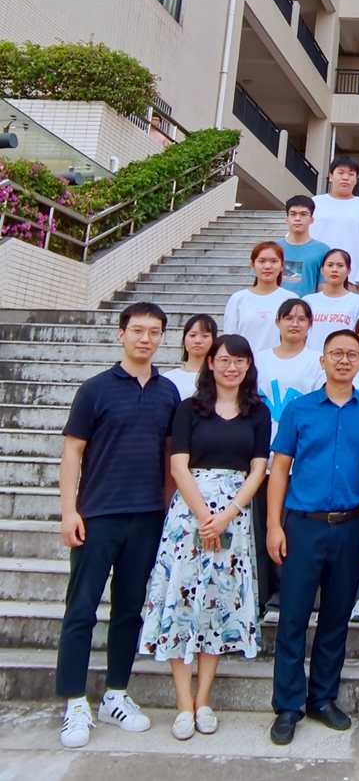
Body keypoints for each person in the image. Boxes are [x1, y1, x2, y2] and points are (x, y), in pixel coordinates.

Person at [56, 303, 180, 749]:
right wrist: (69, 511)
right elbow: (73, 452)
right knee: (82, 609)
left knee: (129, 610)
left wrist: (163, 506)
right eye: (138, 330)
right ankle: (74, 702)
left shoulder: (168, 392)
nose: (146, 339)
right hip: (98, 515)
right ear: (121, 334)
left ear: (162, 338)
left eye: (154, 332)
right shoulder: (95, 390)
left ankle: (115, 694)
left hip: (146, 517)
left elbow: (171, 456)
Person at [139, 335, 270, 740]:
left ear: (248, 366)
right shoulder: (188, 409)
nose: (232, 367)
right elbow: (178, 466)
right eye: (225, 360)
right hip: (189, 517)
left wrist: (226, 516)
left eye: (240, 361)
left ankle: (203, 700)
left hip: (234, 517)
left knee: (218, 603)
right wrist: (204, 517)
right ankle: (182, 704)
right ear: (210, 363)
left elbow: (258, 469)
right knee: (183, 600)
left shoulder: (258, 412)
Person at [265, 330, 359, 746]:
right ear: (323, 360)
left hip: (352, 526)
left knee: (336, 618)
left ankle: (322, 698)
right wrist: (274, 525)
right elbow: (280, 469)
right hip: (304, 526)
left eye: (352, 354)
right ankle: (288, 705)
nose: (344, 360)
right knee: (293, 618)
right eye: (336, 353)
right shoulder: (299, 409)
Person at [253, 299, 326, 621]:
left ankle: (283, 598)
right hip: (260, 459)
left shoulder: (316, 362)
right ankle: (260, 597)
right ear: (278, 322)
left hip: (298, 461)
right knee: (261, 530)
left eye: (301, 318)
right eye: (288, 318)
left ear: (310, 325)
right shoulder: (259, 360)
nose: (294, 323)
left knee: (289, 533)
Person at [310, 157, 359, 270]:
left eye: (351, 174)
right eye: (340, 173)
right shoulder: (315, 203)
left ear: (356, 180)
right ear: (330, 177)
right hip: (314, 272)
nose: (345, 178)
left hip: (353, 274)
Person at [224, 242, 299, 352]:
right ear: (253, 265)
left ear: (282, 265)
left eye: (274, 261)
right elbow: (229, 338)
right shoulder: (238, 299)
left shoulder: (291, 299)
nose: (267, 267)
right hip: (246, 361)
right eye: (262, 261)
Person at [303, 249, 359, 352]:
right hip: (312, 359)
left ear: (349, 270)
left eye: (340, 265)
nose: (334, 270)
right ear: (322, 270)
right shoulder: (308, 301)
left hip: (344, 359)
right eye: (330, 265)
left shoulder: (358, 302)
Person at [277, 195, 330, 298]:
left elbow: (323, 288)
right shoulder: (272, 248)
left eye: (303, 214)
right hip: (276, 305)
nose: (298, 219)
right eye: (293, 214)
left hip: (308, 306)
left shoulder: (323, 250)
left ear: (311, 220)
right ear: (287, 219)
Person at [164, 313, 217, 400]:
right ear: (184, 339)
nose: (198, 341)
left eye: (205, 336)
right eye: (192, 335)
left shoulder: (219, 376)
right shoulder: (168, 378)